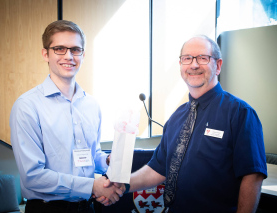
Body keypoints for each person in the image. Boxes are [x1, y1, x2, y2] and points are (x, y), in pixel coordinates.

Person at [97, 35, 267, 213]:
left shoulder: (240, 113)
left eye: (202, 58)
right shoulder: (176, 117)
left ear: (217, 66)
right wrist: (122, 185)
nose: (194, 65)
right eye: (187, 58)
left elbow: (252, 175)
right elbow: (157, 169)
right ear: (181, 65)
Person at [10, 20, 122, 213]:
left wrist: (107, 162)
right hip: (48, 209)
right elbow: (33, 176)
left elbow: (90, 155)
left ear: (83, 55)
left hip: (87, 208)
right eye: (60, 49)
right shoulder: (27, 106)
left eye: (75, 49)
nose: (69, 56)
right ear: (45, 54)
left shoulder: (92, 105)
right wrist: (90, 186)